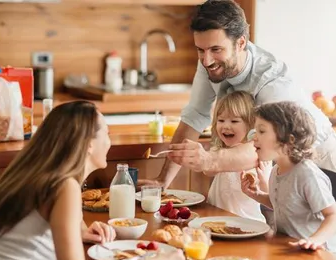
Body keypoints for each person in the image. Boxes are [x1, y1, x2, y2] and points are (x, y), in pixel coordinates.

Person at [0, 101, 187, 260]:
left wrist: (79, 230)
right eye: (107, 133)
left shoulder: (33, 173)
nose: (110, 142)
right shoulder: (64, 185)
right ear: (88, 144)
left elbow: (35, 227)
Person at [138, 0, 336, 189]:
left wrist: (208, 160)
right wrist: (163, 180)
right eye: (200, 50)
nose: (206, 60)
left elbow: (264, 146)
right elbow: (195, 116)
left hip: (320, 164)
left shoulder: (272, 82)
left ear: (241, 43)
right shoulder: (211, 62)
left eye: (216, 49)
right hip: (276, 167)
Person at [241, 101, 336, 252]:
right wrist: (257, 195)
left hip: (316, 255)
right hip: (289, 249)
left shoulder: (307, 174)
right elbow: (283, 205)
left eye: (262, 131)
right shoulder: (276, 170)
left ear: (288, 139)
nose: (254, 137)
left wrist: (314, 240)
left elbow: (332, 216)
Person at [206, 91, 271, 222]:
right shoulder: (220, 151)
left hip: (247, 222)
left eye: (234, 121)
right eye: (220, 120)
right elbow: (207, 170)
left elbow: (269, 197)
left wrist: (263, 181)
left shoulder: (259, 154)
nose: (225, 126)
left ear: (251, 125)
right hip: (216, 220)